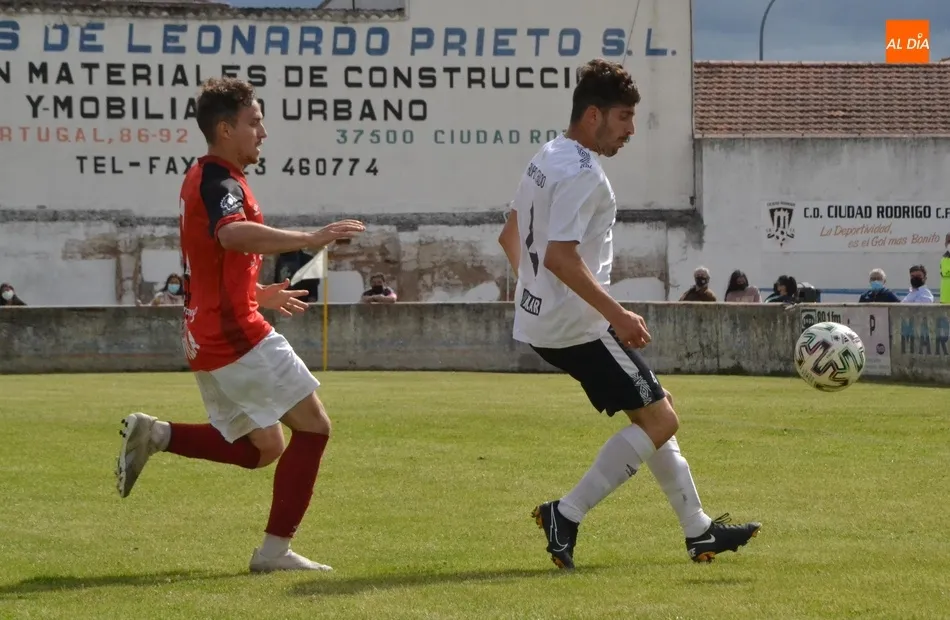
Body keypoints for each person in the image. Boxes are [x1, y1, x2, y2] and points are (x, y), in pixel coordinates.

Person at [497, 58, 760, 570]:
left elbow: (510, 235)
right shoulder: (583, 173)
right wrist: (617, 314)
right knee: (662, 418)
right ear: (593, 115)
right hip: (579, 325)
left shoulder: (546, 155)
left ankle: (698, 530)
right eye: (624, 117)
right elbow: (560, 257)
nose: (631, 130)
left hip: (543, 322)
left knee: (654, 411)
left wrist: (536, 295)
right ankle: (565, 514)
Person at [113, 77, 365, 573]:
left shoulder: (204, 176)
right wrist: (309, 238)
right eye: (254, 122)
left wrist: (258, 293)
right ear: (226, 129)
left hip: (206, 334)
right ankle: (274, 553)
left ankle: (157, 435)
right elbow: (231, 236)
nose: (263, 133)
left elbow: (212, 259)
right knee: (314, 428)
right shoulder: (220, 181)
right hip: (233, 335)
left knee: (265, 446)